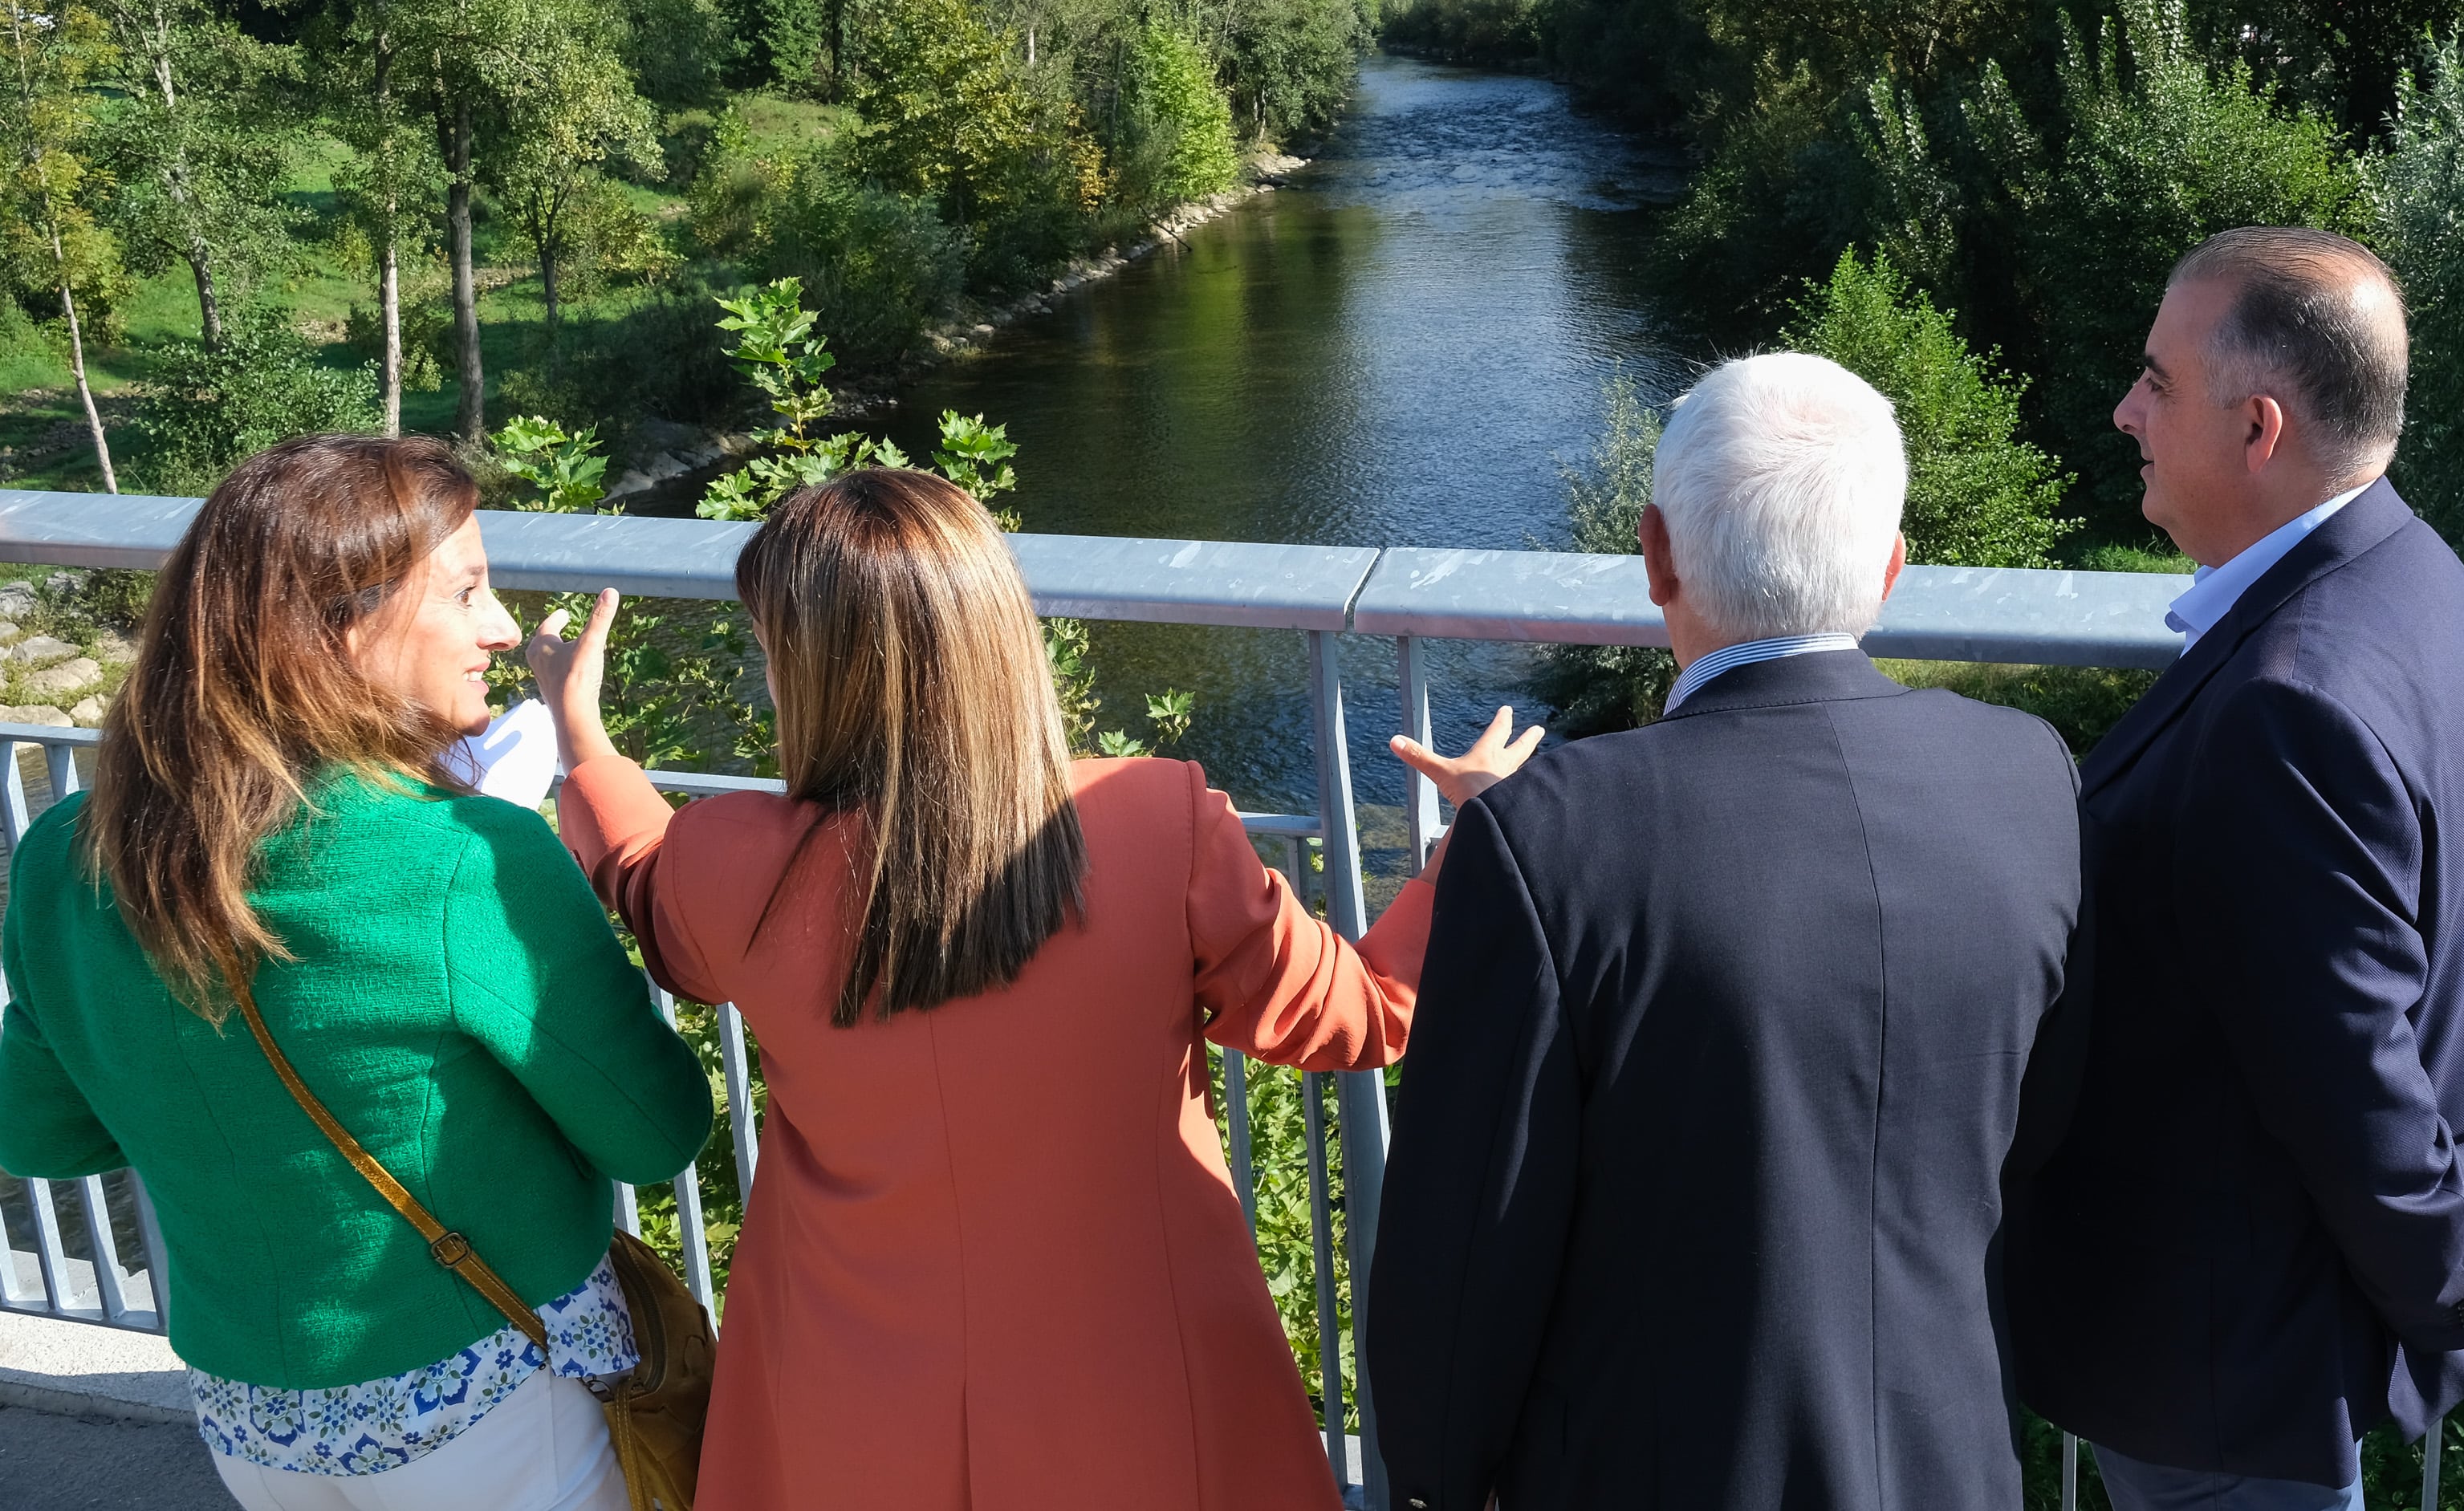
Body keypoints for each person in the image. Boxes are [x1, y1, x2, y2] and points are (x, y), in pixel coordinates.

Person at [528, 465, 1529, 1511]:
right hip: (1136, 1393)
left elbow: (640, 878)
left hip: (845, 1407)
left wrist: (582, 737)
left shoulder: (732, 866)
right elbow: (1360, 1015)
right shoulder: (1155, 820)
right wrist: (1475, 843)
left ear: (809, 668)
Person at [1368, 351, 2086, 1511]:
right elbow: (2036, 1129)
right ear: (1893, 570)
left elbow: (1463, 1257)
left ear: (1654, 552)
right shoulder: (2028, 780)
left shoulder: (1550, 838)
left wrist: (1437, 1481)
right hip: (1952, 1461)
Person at [0, 435, 714, 1511]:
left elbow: (39, 1131)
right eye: (468, 590)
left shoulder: (64, 851)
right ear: (342, 626)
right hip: (492, 1401)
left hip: (257, 1417)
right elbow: (654, 1131)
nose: (505, 628)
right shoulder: (464, 860)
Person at [2004, 227, 2464, 1509]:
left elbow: (2345, 1064)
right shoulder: (2420, 585)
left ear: (2259, 429)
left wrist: (2452, 1262)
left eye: (2158, 381)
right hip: (2264, 1343)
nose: (2126, 408)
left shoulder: (2288, 700)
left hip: (2230, 1364)